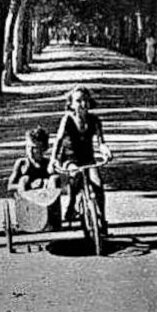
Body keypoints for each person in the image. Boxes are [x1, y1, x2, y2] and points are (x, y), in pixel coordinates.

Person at [50, 86, 113, 229]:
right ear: (71, 104)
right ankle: (71, 205)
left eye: (85, 100)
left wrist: (106, 151)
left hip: (88, 159)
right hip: (69, 159)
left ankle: (102, 218)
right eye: (78, 101)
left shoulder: (95, 120)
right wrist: (53, 159)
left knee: (98, 184)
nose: (83, 104)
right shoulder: (67, 120)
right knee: (76, 175)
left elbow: (101, 142)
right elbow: (58, 140)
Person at [7, 126, 57, 192]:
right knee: (24, 179)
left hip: (44, 197)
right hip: (26, 197)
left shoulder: (48, 164)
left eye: (34, 148)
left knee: (54, 179)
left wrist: (45, 183)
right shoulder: (22, 163)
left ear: (43, 148)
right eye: (28, 147)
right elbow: (10, 186)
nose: (30, 151)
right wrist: (28, 185)